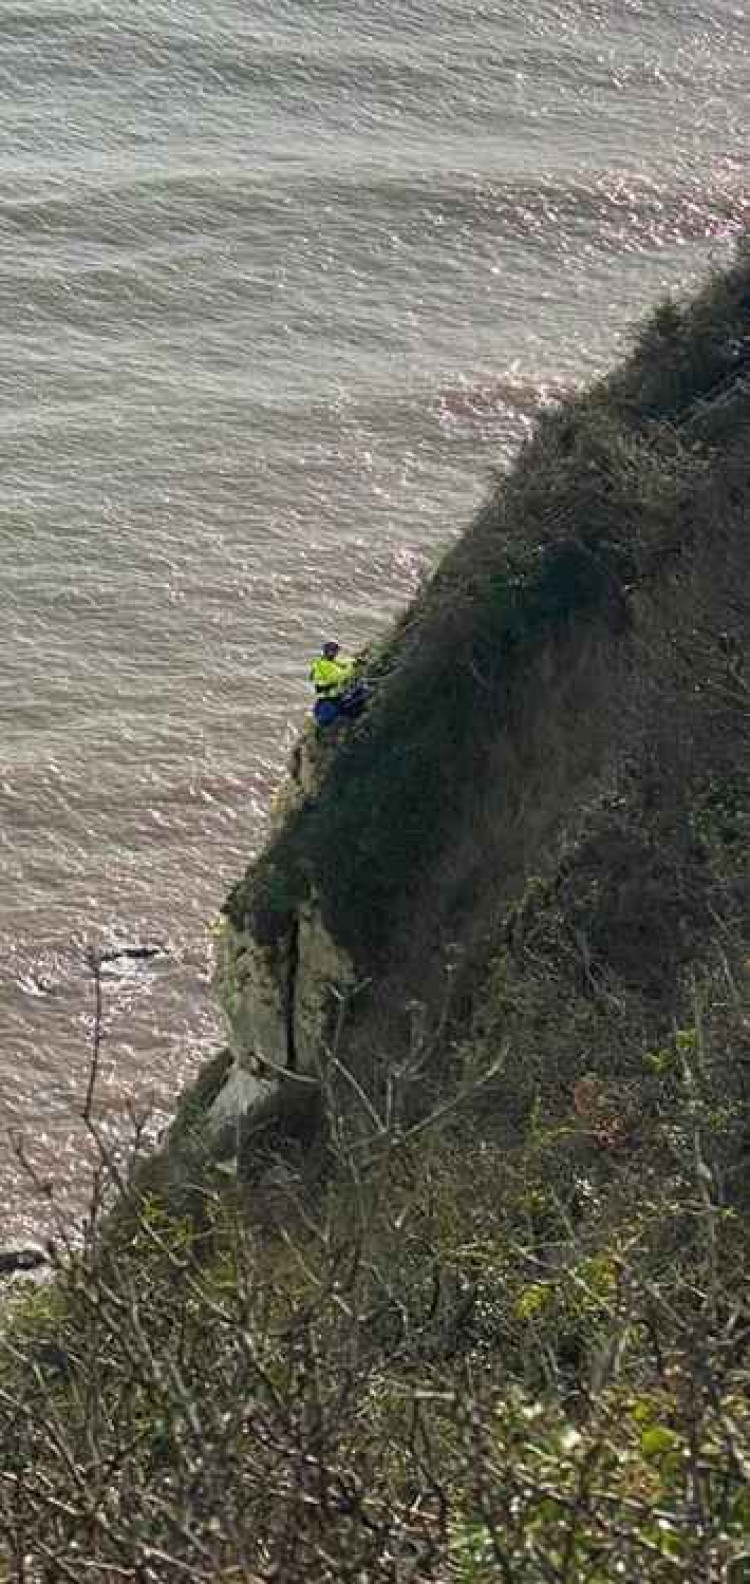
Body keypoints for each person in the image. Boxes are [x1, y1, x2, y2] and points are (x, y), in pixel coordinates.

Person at [308, 641, 367, 728]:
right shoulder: (326, 666)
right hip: (331, 699)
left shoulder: (323, 661)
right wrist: (353, 666)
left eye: (336, 651)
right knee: (351, 710)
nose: (336, 653)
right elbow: (341, 676)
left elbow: (341, 662)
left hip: (327, 698)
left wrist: (355, 660)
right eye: (335, 651)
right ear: (330, 652)